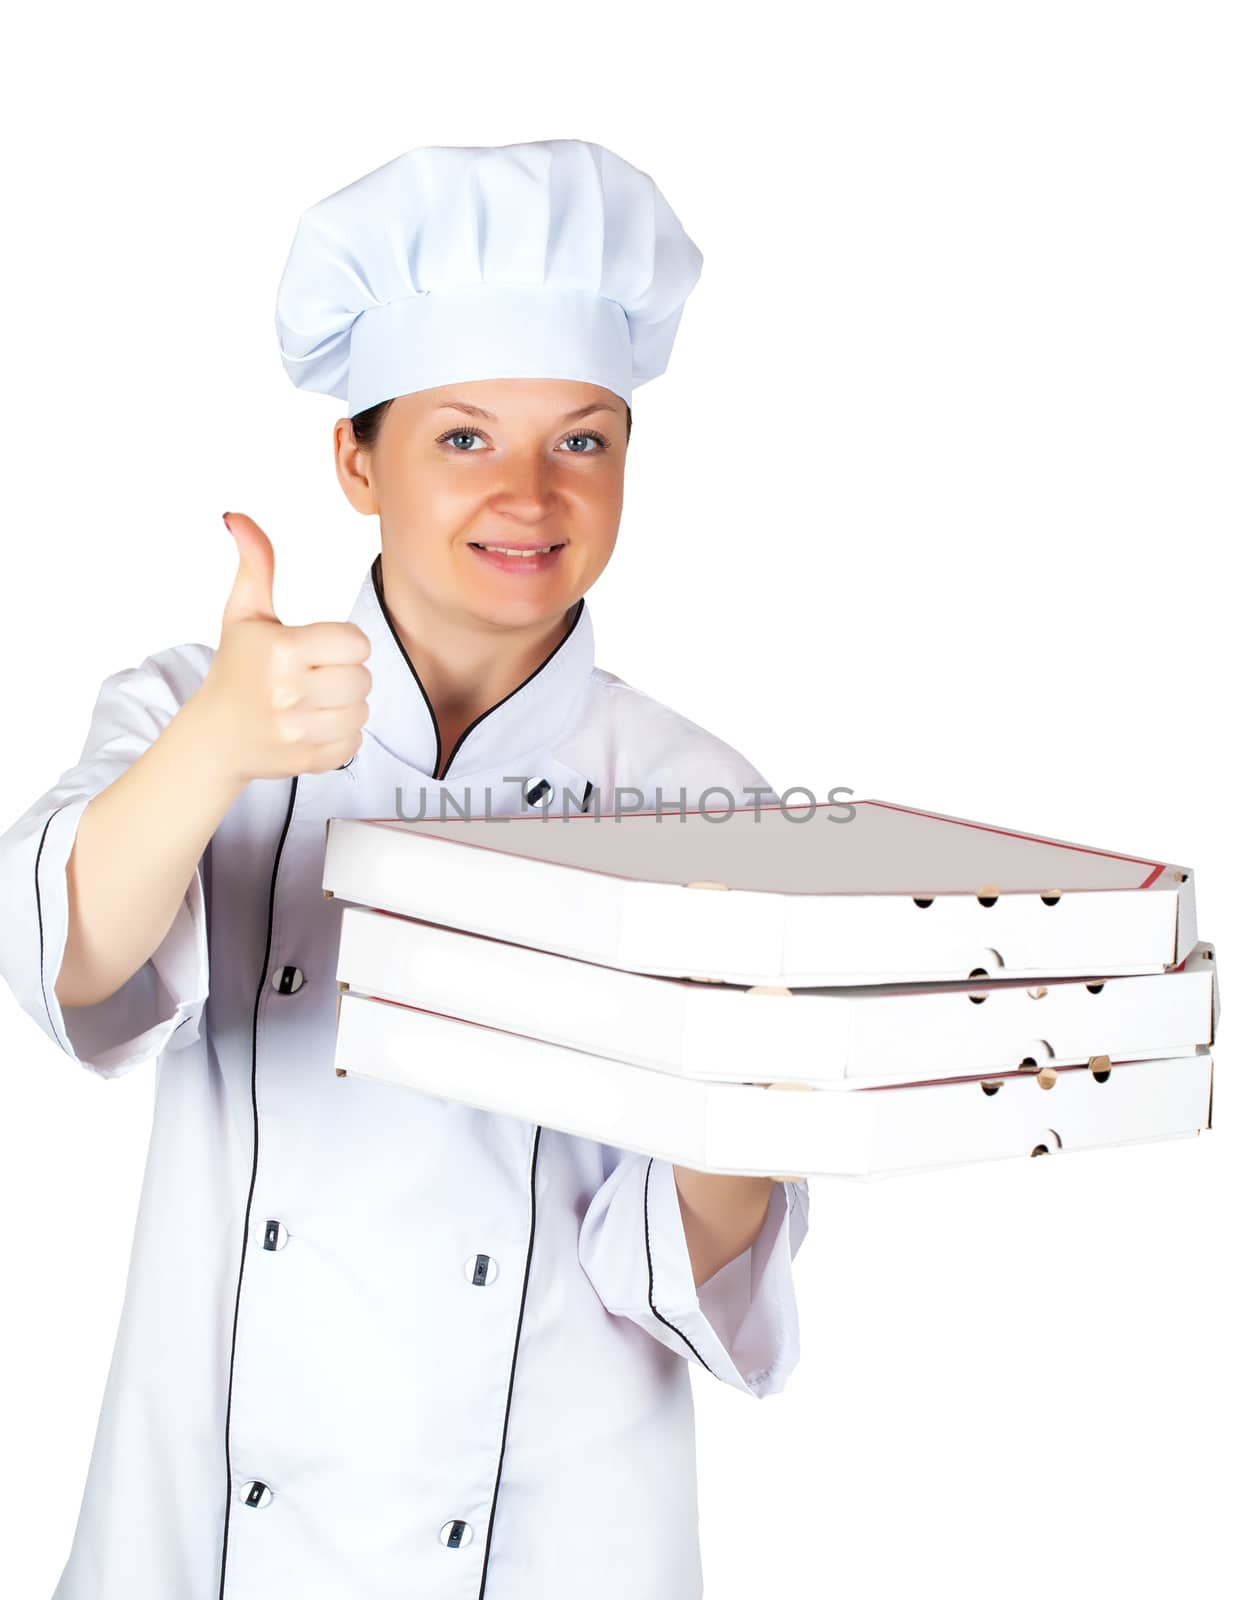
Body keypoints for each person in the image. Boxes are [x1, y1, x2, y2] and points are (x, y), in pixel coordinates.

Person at [0, 138, 810, 1599]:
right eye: (462, 438)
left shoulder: (704, 803)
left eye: (583, 440)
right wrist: (212, 750)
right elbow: (71, 970)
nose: (531, 492)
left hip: (551, 1537)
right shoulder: (198, 705)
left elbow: (694, 1264)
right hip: (209, 1532)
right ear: (354, 462)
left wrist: (744, 1085)